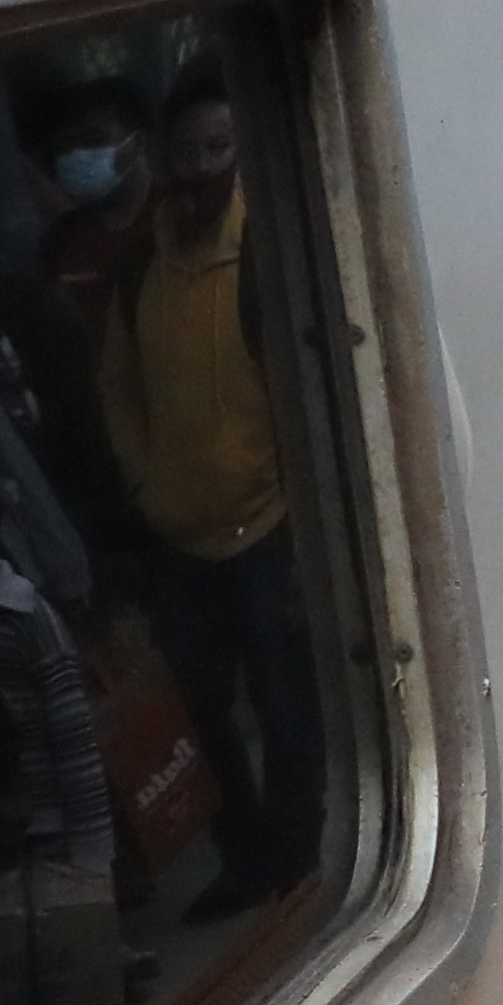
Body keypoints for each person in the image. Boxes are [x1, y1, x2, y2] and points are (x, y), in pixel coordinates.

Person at [97, 77, 322, 906]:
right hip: (179, 539)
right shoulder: (140, 273)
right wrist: (143, 480)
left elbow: (300, 388)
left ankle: (299, 847)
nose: (200, 168)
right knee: (201, 708)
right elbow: (118, 388)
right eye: (185, 151)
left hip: (264, 527)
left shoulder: (263, 253)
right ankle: (248, 856)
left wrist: (297, 504)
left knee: (282, 696)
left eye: (217, 147)